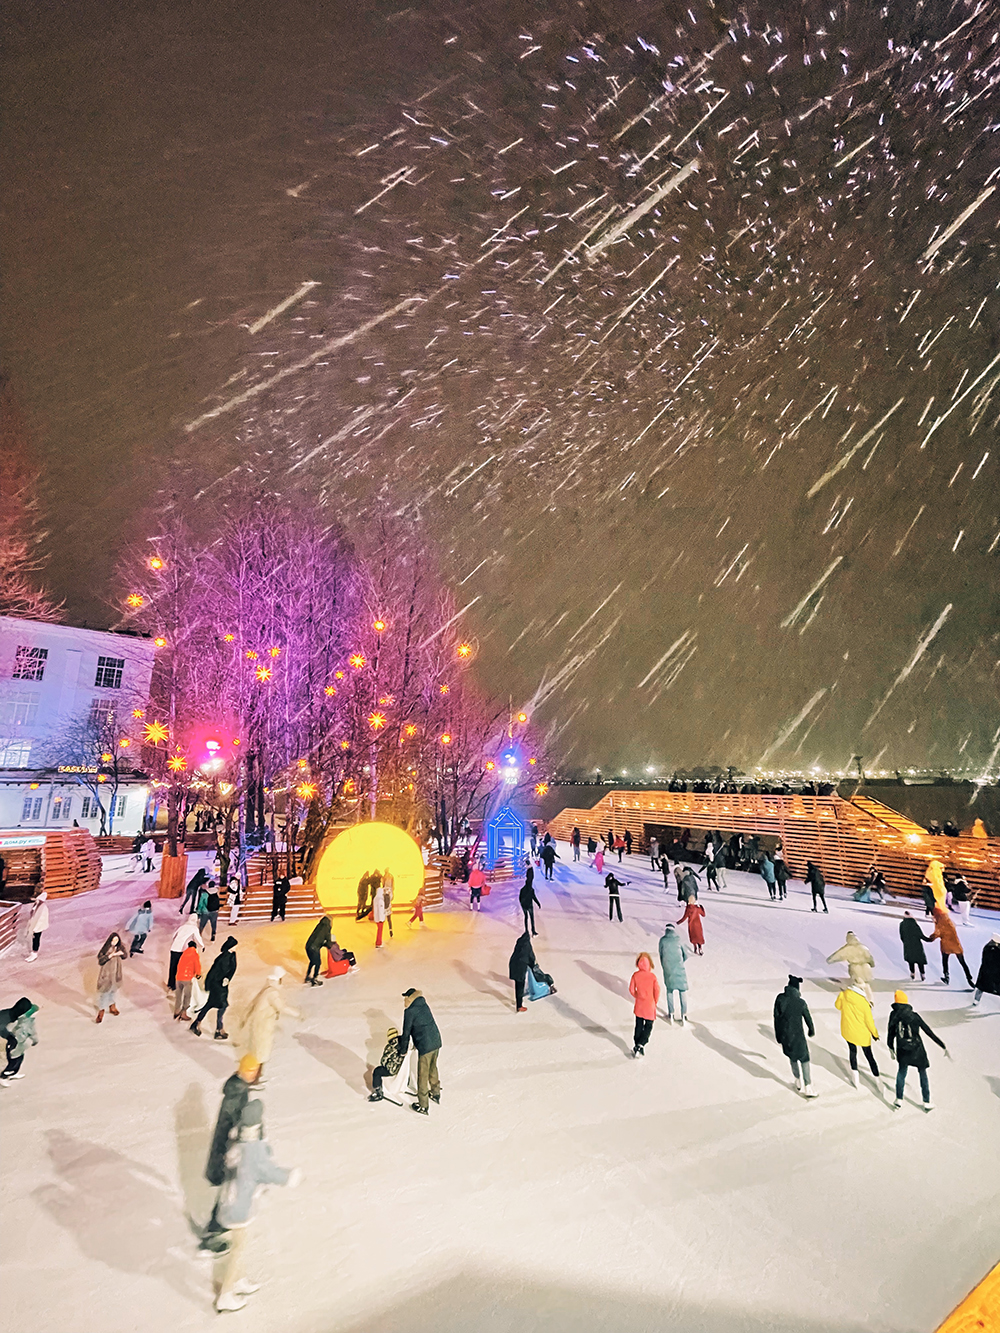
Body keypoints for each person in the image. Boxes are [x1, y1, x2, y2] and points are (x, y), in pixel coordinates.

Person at [214, 1099, 301, 1313]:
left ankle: (239, 1280)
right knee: (238, 1249)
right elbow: (266, 1170)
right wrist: (290, 1177)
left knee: (239, 1245)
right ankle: (226, 1294)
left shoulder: (238, 1142)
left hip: (230, 1202)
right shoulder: (252, 1150)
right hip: (239, 1207)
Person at [200, 1055, 261, 1253]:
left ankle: (216, 1228)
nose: (253, 1074)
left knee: (229, 1190)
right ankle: (213, 1232)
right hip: (229, 1148)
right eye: (250, 1071)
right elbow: (236, 1120)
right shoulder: (237, 1094)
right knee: (229, 1191)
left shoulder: (238, 1088)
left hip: (227, 1145)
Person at [887, 990, 946, 1111]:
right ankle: (926, 1101)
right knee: (923, 1073)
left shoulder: (894, 1015)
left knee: (901, 1073)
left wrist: (891, 1048)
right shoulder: (914, 1016)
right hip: (917, 1050)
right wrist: (941, 1044)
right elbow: (928, 1031)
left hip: (902, 1050)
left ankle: (898, 1099)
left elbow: (891, 1033)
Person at [238, 968, 301, 1081]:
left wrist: (245, 1018)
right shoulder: (272, 993)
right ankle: (253, 1077)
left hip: (260, 1025)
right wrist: (297, 1014)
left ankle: (254, 1076)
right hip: (263, 1026)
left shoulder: (267, 989)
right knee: (260, 1053)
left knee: (258, 1051)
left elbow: (252, 1005)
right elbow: (281, 1007)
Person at [398, 987, 441, 1115]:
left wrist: (403, 1050)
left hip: (425, 1045)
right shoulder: (423, 1004)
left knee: (423, 1074)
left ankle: (423, 1105)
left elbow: (406, 1033)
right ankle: (435, 1092)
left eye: (405, 998)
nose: (404, 1001)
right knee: (433, 1068)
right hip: (436, 1040)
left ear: (409, 998)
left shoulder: (410, 1011)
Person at [773, 975, 818, 1096]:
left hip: (785, 1036)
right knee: (804, 1059)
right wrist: (811, 1030)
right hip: (798, 1035)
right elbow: (808, 1018)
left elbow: (776, 1019)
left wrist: (778, 1035)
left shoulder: (780, 999)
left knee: (792, 1057)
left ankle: (798, 1081)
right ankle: (808, 1086)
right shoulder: (800, 1002)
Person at [835, 982, 882, 1091]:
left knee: (852, 1052)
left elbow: (838, 1006)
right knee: (869, 1056)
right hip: (862, 1034)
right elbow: (869, 1022)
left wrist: (840, 996)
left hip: (848, 1031)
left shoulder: (844, 995)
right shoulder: (864, 1003)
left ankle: (855, 1078)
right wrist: (874, 1034)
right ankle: (877, 1079)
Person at [190, 937, 238, 1038]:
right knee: (219, 1005)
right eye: (235, 946)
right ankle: (218, 1029)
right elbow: (213, 971)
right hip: (217, 985)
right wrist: (209, 984)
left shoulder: (232, 955)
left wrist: (227, 978)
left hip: (223, 985)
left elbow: (232, 969)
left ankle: (201, 1024)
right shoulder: (222, 959)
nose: (236, 948)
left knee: (215, 1005)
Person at [926, 906, 975, 987]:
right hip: (956, 945)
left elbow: (936, 934)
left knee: (945, 961)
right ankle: (969, 978)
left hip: (946, 946)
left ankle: (946, 976)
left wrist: (928, 939)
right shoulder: (949, 921)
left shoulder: (939, 924)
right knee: (962, 962)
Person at [827, 931, 876, 1002]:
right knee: (866, 984)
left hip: (856, 967)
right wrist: (872, 964)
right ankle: (870, 999)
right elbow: (870, 957)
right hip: (866, 967)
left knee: (858, 983)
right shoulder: (863, 948)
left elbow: (837, 956)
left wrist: (829, 960)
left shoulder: (847, 949)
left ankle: (861, 999)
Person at [629, 953, 660, 1057]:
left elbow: (631, 989)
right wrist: (654, 1001)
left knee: (638, 1025)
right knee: (648, 1026)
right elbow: (657, 990)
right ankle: (641, 1044)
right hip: (650, 1005)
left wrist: (637, 996)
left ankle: (636, 1044)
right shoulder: (652, 977)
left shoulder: (635, 975)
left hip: (639, 1005)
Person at [0, 997, 38, 1080]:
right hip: (5, 1041)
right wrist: (10, 1038)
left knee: (18, 1056)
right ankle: (5, 1075)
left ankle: (12, 1072)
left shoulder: (14, 1015)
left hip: (10, 1039)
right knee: (13, 1057)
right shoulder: (6, 1018)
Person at [658, 923, 689, 1024]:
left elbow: (661, 955)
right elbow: (686, 955)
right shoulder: (679, 940)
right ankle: (683, 1015)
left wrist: (665, 965)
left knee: (669, 991)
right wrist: (679, 962)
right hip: (679, 969)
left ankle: (671, 1014)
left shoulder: (662, 941)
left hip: (668, 970)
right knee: (682, 991)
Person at [94, 932, 127, 1023]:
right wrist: (111, 955)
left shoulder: (119, 948)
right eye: (113, 940)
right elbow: (101, 960)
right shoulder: (106, 949)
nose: (115, 942)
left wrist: (121, 953)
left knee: (113, 990)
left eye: (117, 940)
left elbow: (125, 956)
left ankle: (112, 1005)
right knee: (104, 992)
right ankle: (101, 1010)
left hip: (115, 973)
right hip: (107, 974)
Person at [368, 1025, 404, 1101]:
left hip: (392, 1069)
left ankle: (378, 1091)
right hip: (401, 1066)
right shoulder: (403, 1043)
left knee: (377, 1071)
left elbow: (383, 1060)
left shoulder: (390, 1047)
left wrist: (384, 1064)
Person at [167, 918, 203, 991]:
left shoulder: (182, 927)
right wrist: (202, 945)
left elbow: (174, 936)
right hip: (183, 950)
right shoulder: (194, 928)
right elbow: (198, 938)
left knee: (172, 966)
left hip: (174, 948)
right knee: (180, 967)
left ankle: (171, 984)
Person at [508, 930, 536, 1012]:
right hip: (520, 967)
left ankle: (518, 1002)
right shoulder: (527, 946)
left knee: (517, 985)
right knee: (520, 986)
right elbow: (531, 956)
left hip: (513, 965)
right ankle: (519, 1006)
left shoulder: (519, 943)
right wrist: (533, 965)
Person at [173, 939, 201, 1021]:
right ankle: (184, 1012)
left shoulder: (184, 954)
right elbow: (197, 965)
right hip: (187, 978)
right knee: (187, 996)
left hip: (178, 978)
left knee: (178, 995)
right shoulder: (194, 954)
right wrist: (198, 974)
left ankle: (176, 1011)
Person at [899, 912, 930, 982]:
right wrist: (929, 939)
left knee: (911, 960)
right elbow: (920, 935)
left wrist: (906, 942)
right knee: (920, 961)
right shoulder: (914, 924)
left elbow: (902, 936)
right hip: (917, 945)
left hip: (908, 945)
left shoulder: (902, 924)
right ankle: (923, 975)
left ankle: (912, 974)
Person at [973, 932, 1000, 1007]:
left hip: (985, 971)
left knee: (981, 987)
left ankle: (976, 1000)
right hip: (996, 973)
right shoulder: (998, 950)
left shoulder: (987, 947)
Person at [304, 915, 333, 985]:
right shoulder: (327, 927)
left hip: (308, 946)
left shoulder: (320, 925)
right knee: (318, 963)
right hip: (314, 948)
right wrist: (329, 944)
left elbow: (318, 938)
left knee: (312, 961)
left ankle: (308, 976)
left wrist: (322, 944)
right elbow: (328, 940)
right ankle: (314, 978)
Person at [24, 892, 48, 961]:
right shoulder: (38, 904)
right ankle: (33, 952)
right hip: (35, 925)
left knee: (36, 939)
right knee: (34, 938)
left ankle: (35, 953)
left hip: (38, 926)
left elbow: (40, 918)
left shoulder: (43, 907)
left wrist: (35, 927)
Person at [373, 878, 388, 948]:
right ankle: (378, 943)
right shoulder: (380, 900)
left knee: (379, 930)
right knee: (380, 931)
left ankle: (378, 941)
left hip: (376, 917)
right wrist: (382, 919)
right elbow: (381, 910)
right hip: (380, 918)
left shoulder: (375, 898)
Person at [382, 868, 394, 936]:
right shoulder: (389, 876)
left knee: (384, 919)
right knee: (389, 919)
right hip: (388, 908)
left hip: (384, 908)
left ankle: (389, 930)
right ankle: (390, 930)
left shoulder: (386, 877)